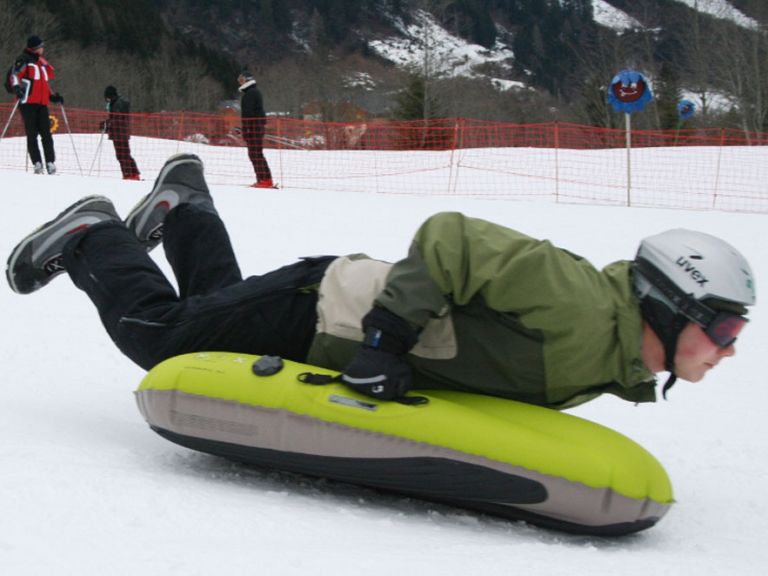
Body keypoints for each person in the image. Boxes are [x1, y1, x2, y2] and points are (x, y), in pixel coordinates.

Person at [5, 154, 756, 409]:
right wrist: (386, 341)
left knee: (208, 316)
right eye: (722, 328)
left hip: (327, 309)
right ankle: (93, 235)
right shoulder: (586, 307)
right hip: (325, 311)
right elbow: (451, 238)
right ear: (670, 303)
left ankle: (187, 210)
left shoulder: (612, 357)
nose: (727, 348)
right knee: (164, 339)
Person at [7, 35, 63, 175]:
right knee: (32, 134)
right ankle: (37, 163)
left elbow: (43, 84)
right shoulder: (24, 59)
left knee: (46, 134)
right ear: (35, 47)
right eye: (41, 46)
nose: (43, 48)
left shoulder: (41, 63)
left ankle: (50, 162)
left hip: (42, 103)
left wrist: (52, 96)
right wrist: (17, 88)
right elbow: (14, 75)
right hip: (28, 103)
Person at [237, 70, 274, 188]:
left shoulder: (250, 94)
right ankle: (263, 179)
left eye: (241, 80)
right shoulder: (253, 92)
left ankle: (265, 180)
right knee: (256, 154)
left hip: (254, 128)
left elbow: (248, 114)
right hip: (256, 127)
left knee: (255, 154)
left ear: (247, 80)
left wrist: (246, 130)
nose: (239, 83)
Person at [102, 85, 140, 180]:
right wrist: (108, 124)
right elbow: (115, 119)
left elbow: (117, 119)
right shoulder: (116, 103)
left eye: (107, 98)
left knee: (123, 155)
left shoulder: (117, 104)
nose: (106, 100)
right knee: (123, 154)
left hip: (119, 133)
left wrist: (107, 124)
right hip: (119, 133)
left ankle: (129, 174)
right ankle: (133, 173)